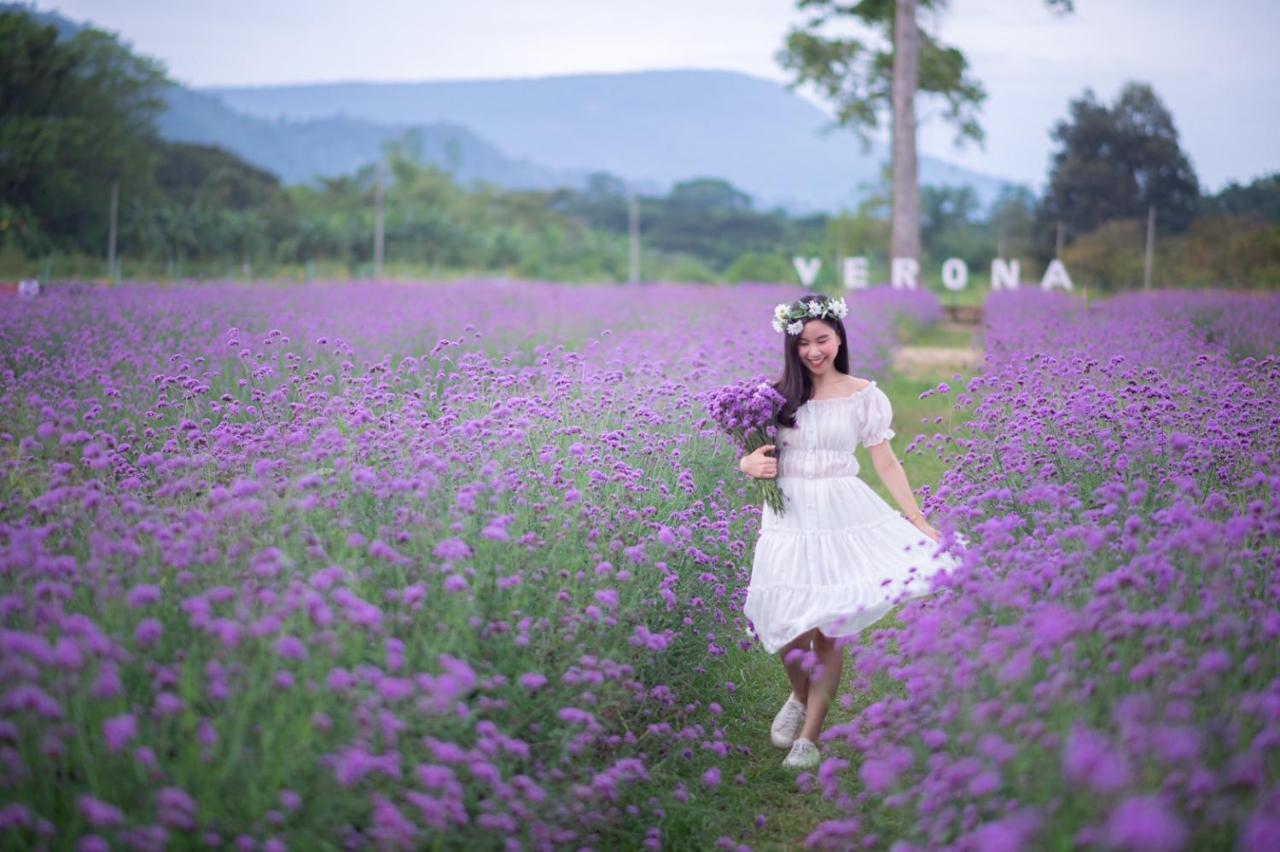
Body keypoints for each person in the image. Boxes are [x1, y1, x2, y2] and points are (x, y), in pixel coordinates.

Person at [739, 293, 960, 770]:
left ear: (839, 337)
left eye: (822, 340)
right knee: (788, 623)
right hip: (789, 516)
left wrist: (918, 520)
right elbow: (754, 451)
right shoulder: (774, 395)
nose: (814, 351)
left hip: (841, 509)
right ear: (791, 346)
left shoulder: (864, 394)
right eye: (803, 343)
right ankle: (799, 696)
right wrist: (747, 462)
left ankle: (810, 738)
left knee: (830, 627)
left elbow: (884, 459)